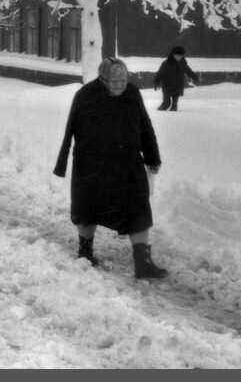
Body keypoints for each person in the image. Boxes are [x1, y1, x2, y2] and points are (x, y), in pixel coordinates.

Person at [53, 57, 168, 279]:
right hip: (92, 164)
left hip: (128, 164)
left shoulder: (133, 93)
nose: (119, 85)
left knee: (138, 208)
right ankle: (85, 251)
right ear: (102, 78)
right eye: (114, 81)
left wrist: (152, 157)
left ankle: (143, 262)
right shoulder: (85, 95)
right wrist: (64, 161)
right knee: (88, 209)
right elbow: (70, 131)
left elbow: (145, 126)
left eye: (123, 80)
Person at [153, 46, 199, 111]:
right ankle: (159, 113)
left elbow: (188, 71)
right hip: (167, 86)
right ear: (173, 55)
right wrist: (156, 82)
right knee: (166, 103)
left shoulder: (183, 63)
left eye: (181, 56)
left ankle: (173, 117)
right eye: (178, 55)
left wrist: (195, 77)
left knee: (174, 106)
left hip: (178, 86)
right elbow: (160, 73)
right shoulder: (166, 63)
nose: (180, 57)